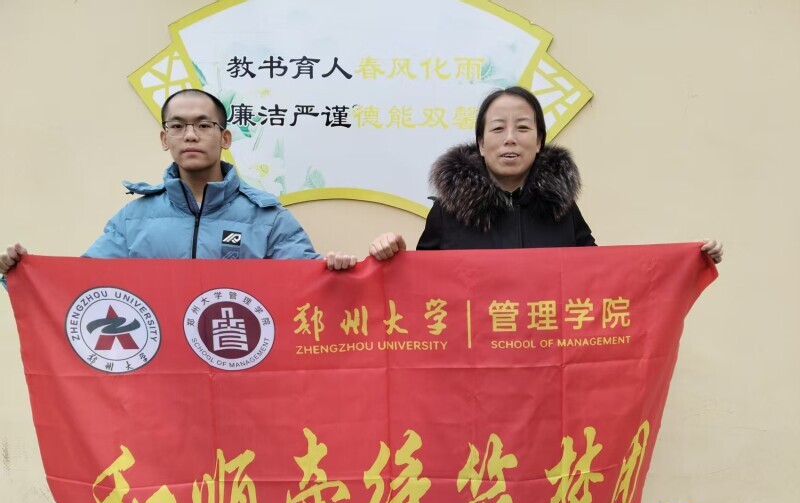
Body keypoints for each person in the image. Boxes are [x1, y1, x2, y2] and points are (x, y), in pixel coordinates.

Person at [0, 89, 357, 277]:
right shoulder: (133, 220)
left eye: (203, 125)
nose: (190, 135)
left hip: (240, 365)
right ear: (164, 138)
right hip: (159, 373)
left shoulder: (266, 217)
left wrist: (338, 269)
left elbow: (307, 283)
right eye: (177, 126)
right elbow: (82, 286)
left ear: (226, 138)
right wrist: (20, 273)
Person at [368, 86, 724, 263]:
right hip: (473, 364)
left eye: (523, 128)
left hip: (546, 362)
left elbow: (601, 277)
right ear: (480, 144)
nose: (510, 138)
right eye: (498, 128)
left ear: (539, 142)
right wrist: (389, 255)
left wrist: (688, 260)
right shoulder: (448, 211)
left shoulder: (561, 207)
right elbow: (419, 290)